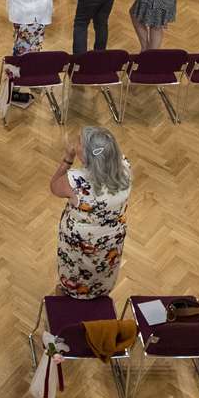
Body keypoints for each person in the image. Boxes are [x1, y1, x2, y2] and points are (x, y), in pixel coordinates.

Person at [50, 126, 133, 298]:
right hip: (110, 239)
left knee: (74, 278)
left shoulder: (75, 180)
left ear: (88, 156)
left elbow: (54, 186)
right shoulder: (125, 167)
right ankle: (98, 296)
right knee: (102, 271)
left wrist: (68, 158)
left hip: (80, 243)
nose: (76, 143)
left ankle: (67, 299)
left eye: (80, 142)